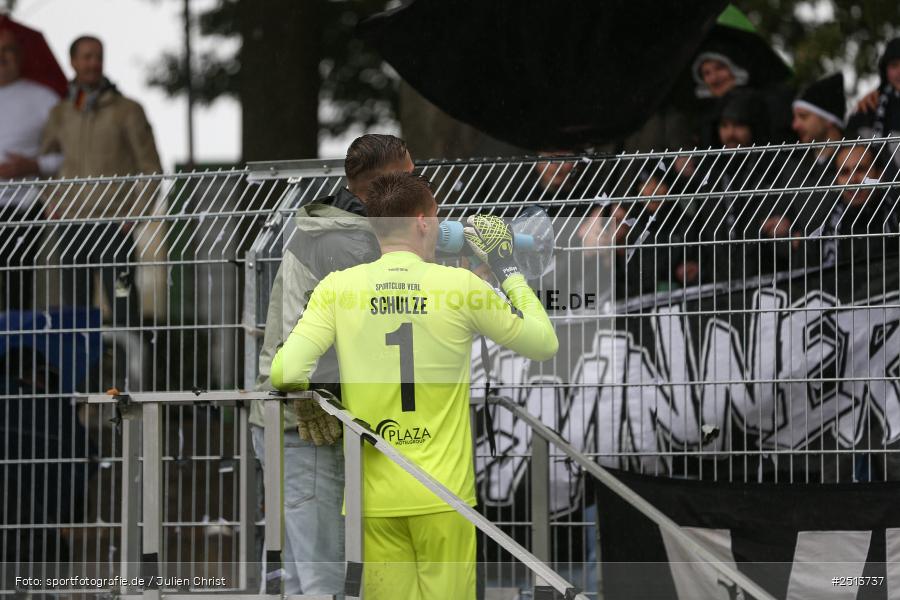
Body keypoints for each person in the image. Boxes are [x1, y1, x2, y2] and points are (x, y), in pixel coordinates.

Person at [270, 172, 558, 600]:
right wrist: (506, 266)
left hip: (374, 496)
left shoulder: (338, 288)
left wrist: (308, 398)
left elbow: (285, 371)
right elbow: (543, 342)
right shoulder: (459, 287)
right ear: (424, 223)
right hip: (444, 494)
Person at [251, 134, 413, 596]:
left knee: (303, 580)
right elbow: (309, 337)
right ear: (385, 184)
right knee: (326, 581)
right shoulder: (351, 243)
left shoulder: (333, 228)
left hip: (289, 422)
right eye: (411, 175)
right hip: (306, 425)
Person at [39, 35, 161, 326]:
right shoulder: (60, 113)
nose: (93, 63)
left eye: (98, 56)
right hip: (70, 228)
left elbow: (152, 168)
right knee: (74, 314)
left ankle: (130, 371)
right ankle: (82, 372)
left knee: (123, 306)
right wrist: (51, 206)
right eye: (86, 57)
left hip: (114, 228)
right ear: (73, 62)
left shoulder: (127, 110)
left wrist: (135, 215)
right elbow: (43, 165)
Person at [0, 27, 62, 309]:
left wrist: (32, 164)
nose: (1, 56)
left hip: (23, 207)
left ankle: (15, 353)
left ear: (20, 55)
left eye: (8, 50)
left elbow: (69, 155)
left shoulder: (44, 99)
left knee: (16, 286)